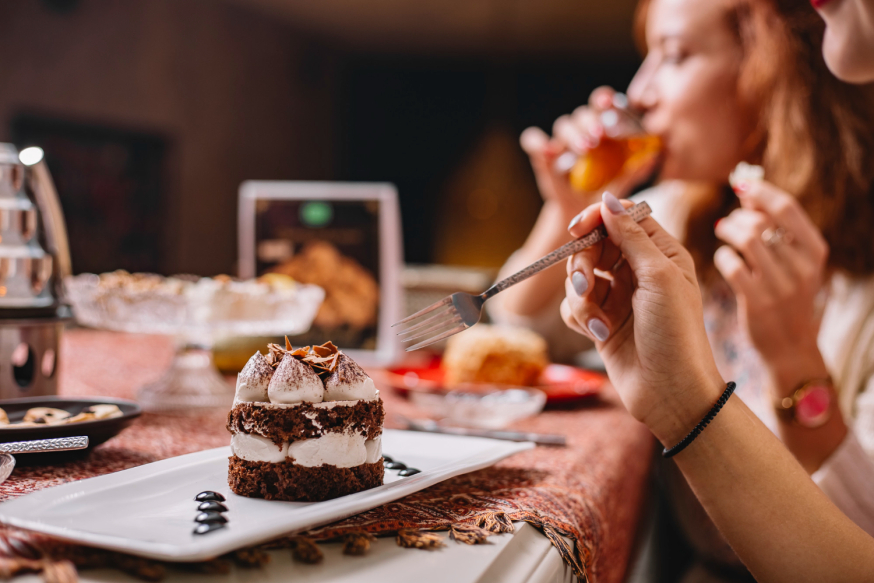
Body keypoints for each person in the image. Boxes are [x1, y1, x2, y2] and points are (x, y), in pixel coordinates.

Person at [490, 0, 874, 573]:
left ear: (772, 73)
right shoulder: (677, 213)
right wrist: (564, 210)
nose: (638, 92)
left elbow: (854, 544)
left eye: (674, 56)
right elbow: (526, 328)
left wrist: (795, 361)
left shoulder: (857, 281)